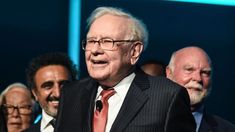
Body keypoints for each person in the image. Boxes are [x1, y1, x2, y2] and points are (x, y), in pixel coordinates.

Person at [55, 6, 196, 132]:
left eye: (107, 41)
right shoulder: (71, 93)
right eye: (91, 41)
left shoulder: (168, 96)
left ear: (134, 52)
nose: (95, 50)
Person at [166, 46, 235, 132]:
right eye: (189, 69)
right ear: (169, 73)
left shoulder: (228, 130)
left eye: (205, 72)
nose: (198, 78)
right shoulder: (146, 121)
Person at [25, 52, 78, 132]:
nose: (58, 93)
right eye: (48, 86)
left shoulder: (94, 127)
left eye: (64, 84)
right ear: (35, 93)